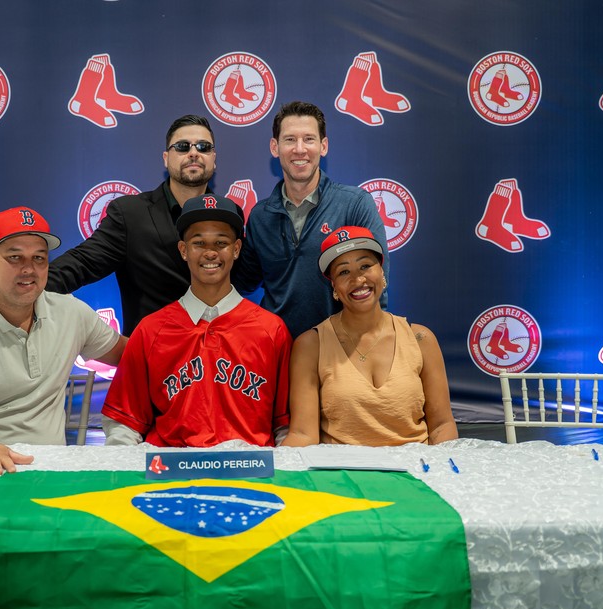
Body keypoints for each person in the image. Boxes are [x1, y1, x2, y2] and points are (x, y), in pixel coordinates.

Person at [0, 206, 127, 474]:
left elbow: (133, 354)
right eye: (15, 257)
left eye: (39, 258)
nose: (29, 269)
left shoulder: (71, 313)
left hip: (52, 472)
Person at [103, 194, 291, 447]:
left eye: (221, 243)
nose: (210, 253)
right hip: (171, 477)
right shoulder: (151, 330)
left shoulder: (271, 329)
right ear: (183, 250)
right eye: (199, 242)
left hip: (248, 475)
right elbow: (124, 424)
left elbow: (285, 426)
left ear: (236, 249)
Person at [283, 226, 456, 446]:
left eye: (365, 266)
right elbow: (303, 435)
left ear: (382, 273)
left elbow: (442, 425)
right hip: (343, 475)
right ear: (334, 287)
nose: (358, 279)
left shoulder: (421, 339)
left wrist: (440, 473)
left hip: (414, 473)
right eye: (344, 272)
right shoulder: (310, 345)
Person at [46, 114, 218, 335]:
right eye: (183, 146)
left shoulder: (230, 217)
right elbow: (82, 263)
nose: (193, 153)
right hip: (152, 358)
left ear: (214, 157)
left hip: (219, 361)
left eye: (203, 147)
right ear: (166, 158)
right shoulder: (130, 214)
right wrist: (26, 288)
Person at [233, 101, 390, 338]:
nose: (299, 149)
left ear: (323, 146)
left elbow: (377, 284)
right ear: (274, 147)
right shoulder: (260, 216)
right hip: (278, 352)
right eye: (289, 140)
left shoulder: (355, 204)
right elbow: (241, 283)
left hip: (341, 350)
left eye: (308, 139)